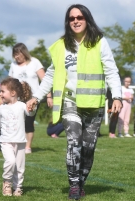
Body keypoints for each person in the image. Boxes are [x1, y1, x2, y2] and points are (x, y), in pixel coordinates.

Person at [26, 4, 122, 200]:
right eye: (72, 18)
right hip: (70, 102)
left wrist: (117, 96)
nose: (76, 21)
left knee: (88, 148)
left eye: (80, 17)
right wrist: (37, 97)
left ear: (87, 19)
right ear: (67, 22)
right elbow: (51, 74)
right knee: (73, 142)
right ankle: (74, 186)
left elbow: (111, 70)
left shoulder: (99, 42)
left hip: (94, 104)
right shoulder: (61, 45)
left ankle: (81, 182)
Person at [0, 77, 35, 197]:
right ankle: (7, 183)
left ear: (13, 93)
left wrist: (32, 108)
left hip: (20, 142)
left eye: (3, 91)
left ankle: (18, 187)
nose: (0, 94)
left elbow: (30, 113)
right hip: (6, 142)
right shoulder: (1, 108)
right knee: (10, 161)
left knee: (19, 167)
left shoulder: (21, 105)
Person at [8, 43, 53, 154]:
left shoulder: (35, 62)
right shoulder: (13, 65)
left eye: (18, 54)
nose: (16, 57)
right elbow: (9, 82)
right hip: (16, 99)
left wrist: (49, 96)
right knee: (16, 122)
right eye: (14, 55)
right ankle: (17, 145)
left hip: (33, 98)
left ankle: (27, 147)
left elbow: (45, 80)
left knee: (28, 122)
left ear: (24, 53)